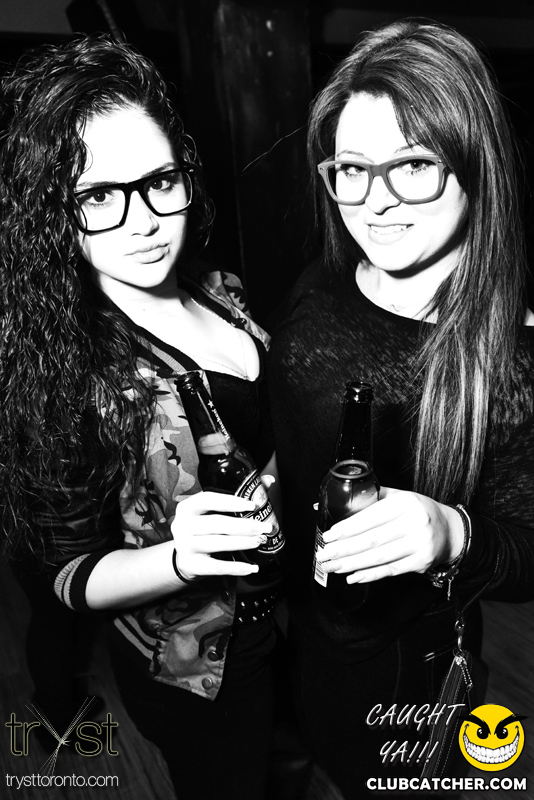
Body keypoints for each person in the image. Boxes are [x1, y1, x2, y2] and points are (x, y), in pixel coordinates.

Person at [0, 35, 283, 800]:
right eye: (99, 195)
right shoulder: (67, 375)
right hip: (203, 663)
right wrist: (182, 557)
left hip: (295, 616)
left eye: (159, 181)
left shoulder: (220, 290)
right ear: (55, 211)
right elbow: (66, 577)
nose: (143, 221)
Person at [268, 18, 534, 799]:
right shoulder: (325, 276)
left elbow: (528, 551)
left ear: (475, 163)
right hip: (297, 625)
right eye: (352, 168)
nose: (375, 203)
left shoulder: (514, 358)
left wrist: (451, 531)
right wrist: (271, 475)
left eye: (413, 165)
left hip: (403, 665)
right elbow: (302, 413)